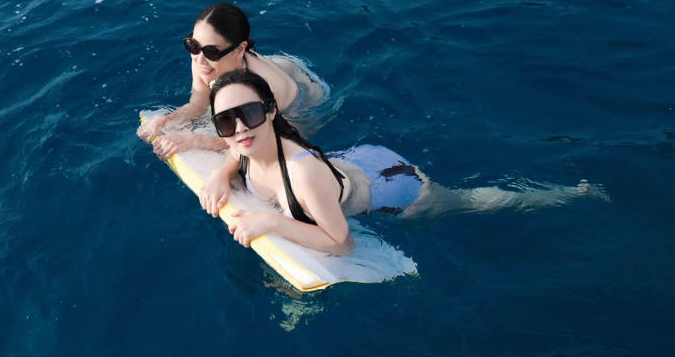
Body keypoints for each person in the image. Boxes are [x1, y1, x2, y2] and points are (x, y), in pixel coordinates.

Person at [198, 70, 610, 254]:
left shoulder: (302, 173)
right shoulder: (244, 143)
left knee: (469, 203)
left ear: (271, 111)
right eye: (226, 121)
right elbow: (238, 149)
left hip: (395, 189)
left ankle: (568, 195)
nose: (239, 128)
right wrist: (221, 171)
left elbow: (341, 243)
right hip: (354, 162)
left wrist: (271, 223)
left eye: (249, 114)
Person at [137, 2, 328, 160]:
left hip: (300, 105)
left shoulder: (260, 86)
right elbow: (197, 105)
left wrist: (195, 140)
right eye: (193, 45)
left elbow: (255, 136)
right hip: (264, 67)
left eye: (211, 52)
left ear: (240, 49)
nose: (199, 60)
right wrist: (167, 120)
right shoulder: (203, 60)